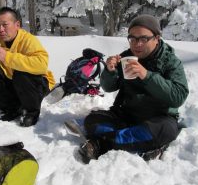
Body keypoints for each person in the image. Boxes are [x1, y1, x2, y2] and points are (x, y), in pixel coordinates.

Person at [78, 14, 189, 163]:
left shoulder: (171, 62)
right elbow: (109, 87)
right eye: (133, 38)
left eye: (143, 39)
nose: (137, 44)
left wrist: (146, 75)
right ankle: (134, 143)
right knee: (92, 120)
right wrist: (110, 72)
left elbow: (178, 97)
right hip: (126, 116)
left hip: (157, 120)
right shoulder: (126, 57)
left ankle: (102, 143)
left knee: (166, 130)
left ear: (156, 38)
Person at [0, 7, 55, 127]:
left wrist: (7, 57)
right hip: (15, 84)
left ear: (17, 25)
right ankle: (12, 108)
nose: (0, 29)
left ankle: (31, 112)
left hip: (36, 84)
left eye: (5, 24)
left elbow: (41, 65)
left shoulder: (28, 40)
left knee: (21, 71)